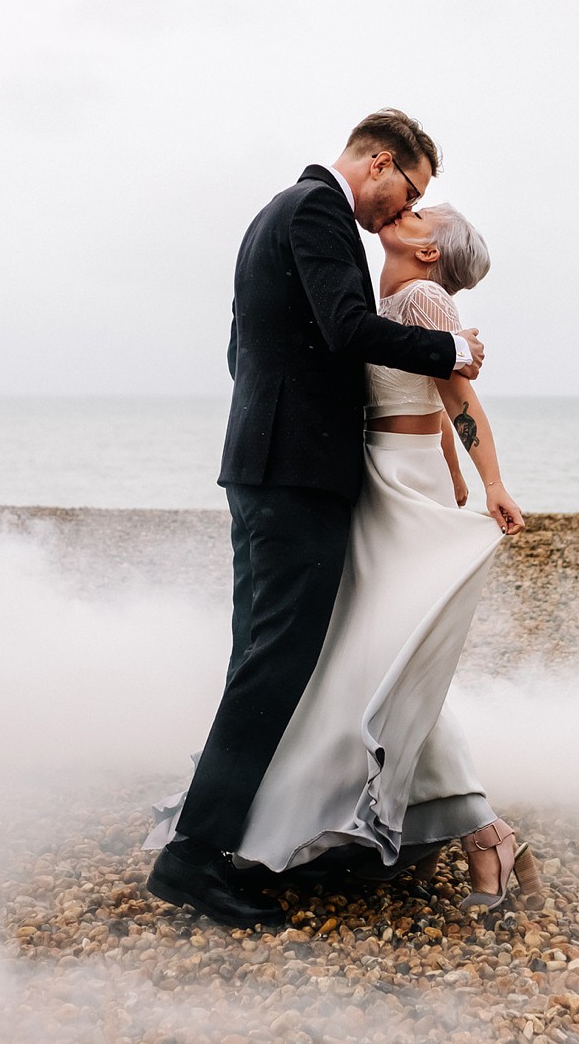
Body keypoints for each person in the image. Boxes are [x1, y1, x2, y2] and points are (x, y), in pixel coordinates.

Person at [145, 110, 485, 928]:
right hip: (297, 479)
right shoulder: (319, 212)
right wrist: (451, 354)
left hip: (263, 469)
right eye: (408, 188)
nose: (398, 209)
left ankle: (227, 835)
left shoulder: (275, 214)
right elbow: (346, 328)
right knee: (275, 667)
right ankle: (194, 859)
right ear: (378, 162)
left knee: (260, 660)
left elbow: (242, 352)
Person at [227, 201, 538, 910]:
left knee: (385, 654)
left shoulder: (423, 298)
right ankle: (467, 829)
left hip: (399, 477)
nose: (407, 208)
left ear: (430, 252)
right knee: (376, 656)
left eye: (425, 212)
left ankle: (480, 830)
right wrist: (458, 479)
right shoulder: (377, 300)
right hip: (382, 469)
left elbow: (458, 400)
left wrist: (489, 483)